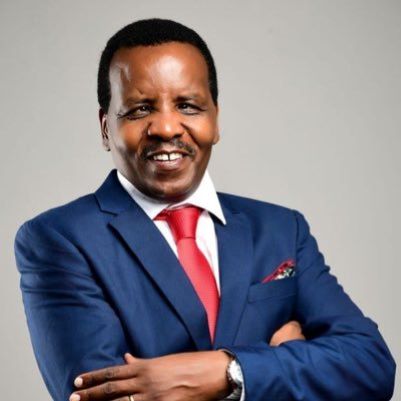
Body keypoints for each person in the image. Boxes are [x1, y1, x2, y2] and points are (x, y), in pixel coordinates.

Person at [14, 18, 395, 401]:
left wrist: (230, 371)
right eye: (140, 109)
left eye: (187, 105)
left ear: (215, 118)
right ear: (105, 127)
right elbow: (102, 397)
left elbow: (372, 365)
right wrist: (284, 363)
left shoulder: (282, 229)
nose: (166, 127)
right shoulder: (58, 239)